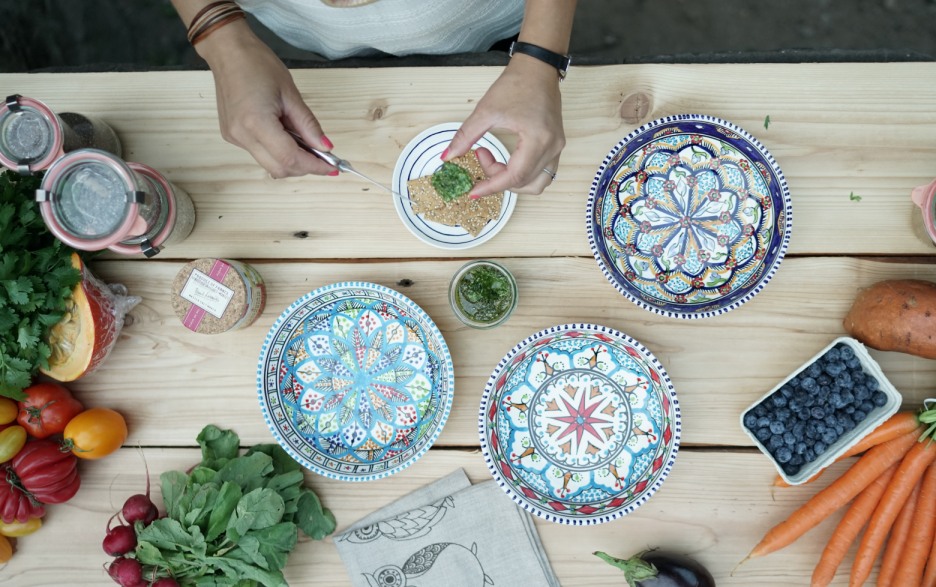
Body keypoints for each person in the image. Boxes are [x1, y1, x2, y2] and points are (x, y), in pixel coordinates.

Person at [170, 0, 577, 198]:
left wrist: (540, 54)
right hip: (317, 33)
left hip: (481, 17)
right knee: (346, 53)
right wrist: (221, 37)